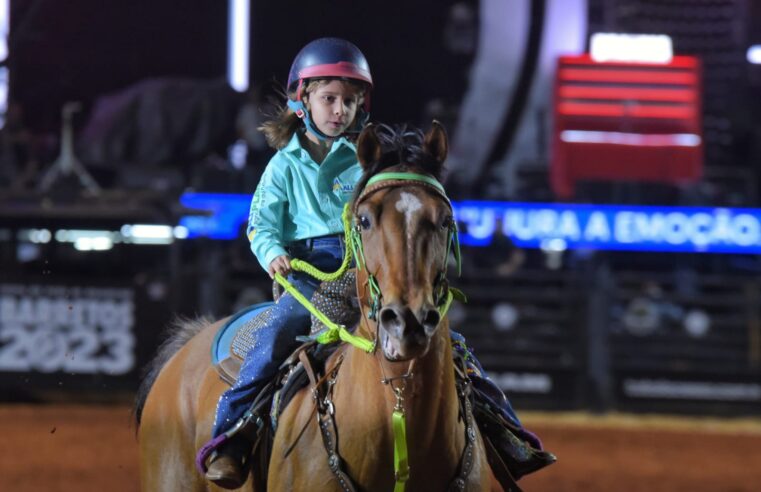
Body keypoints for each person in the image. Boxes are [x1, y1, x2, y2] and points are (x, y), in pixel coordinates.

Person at [201, 37, 372, 489]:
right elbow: (261, 223)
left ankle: (499, 427)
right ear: (302, 100)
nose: (340, 110)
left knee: (436, 336)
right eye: (330, 99)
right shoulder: (283, 165)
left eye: (350, 102)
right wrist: (272, 252)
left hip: (365, 271)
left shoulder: (364, 161)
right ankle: (230, 439)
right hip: (308, 277)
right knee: (275, 336)